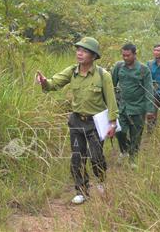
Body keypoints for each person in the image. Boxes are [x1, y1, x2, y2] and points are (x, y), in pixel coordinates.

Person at [36, 37, 118, 205]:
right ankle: (82, 190)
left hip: (95, 123)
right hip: (76, 121)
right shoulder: (72, 71)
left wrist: (113, 123)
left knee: (96, 157)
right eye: (78, 49)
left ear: (94, 56)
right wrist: (44, 82)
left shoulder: (103, 75)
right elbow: (54, 83)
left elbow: (111, 101)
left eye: (85, 51)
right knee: (77, 157)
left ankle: (102, 182)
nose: (80, 53)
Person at [111, 43, 154, 162]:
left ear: (135, 54)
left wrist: (150, 109)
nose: (125, 58)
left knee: (136, 135)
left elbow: (149, 90)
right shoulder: (119, 67)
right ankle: (125, 150)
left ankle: (133, 159)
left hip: (138, 108)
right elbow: (111, 85)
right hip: (122, 107)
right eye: (123, 55)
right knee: (120, 131)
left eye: (128, 55)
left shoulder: (143, 69)